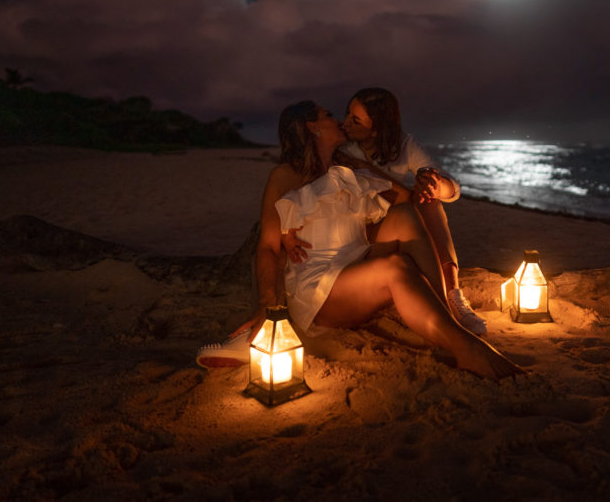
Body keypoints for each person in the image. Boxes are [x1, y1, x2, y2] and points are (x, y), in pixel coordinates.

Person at [196, 100, 520, 380]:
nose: (337, 119)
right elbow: (267, 247)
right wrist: (268, 303)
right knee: (396, 266)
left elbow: (413, 198)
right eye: (328, 115)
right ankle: (465, 348)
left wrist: (436, 184)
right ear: (312, 127)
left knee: (406, 215)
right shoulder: (285, 176)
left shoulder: (349, 166)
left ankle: (447, 316)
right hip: (320, 286)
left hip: (357, 261)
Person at [339, 87, 487, 335]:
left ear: (377, 128)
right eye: (347, 115)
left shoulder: (402, 145)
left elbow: (453, 188)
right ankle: (444, 306)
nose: (345, 124)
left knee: (429, 201)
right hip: (361, 239)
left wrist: (435, 184)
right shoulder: (342, 149)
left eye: (355, 120)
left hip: (397, 229)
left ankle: (453, 294)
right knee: (408, 208)